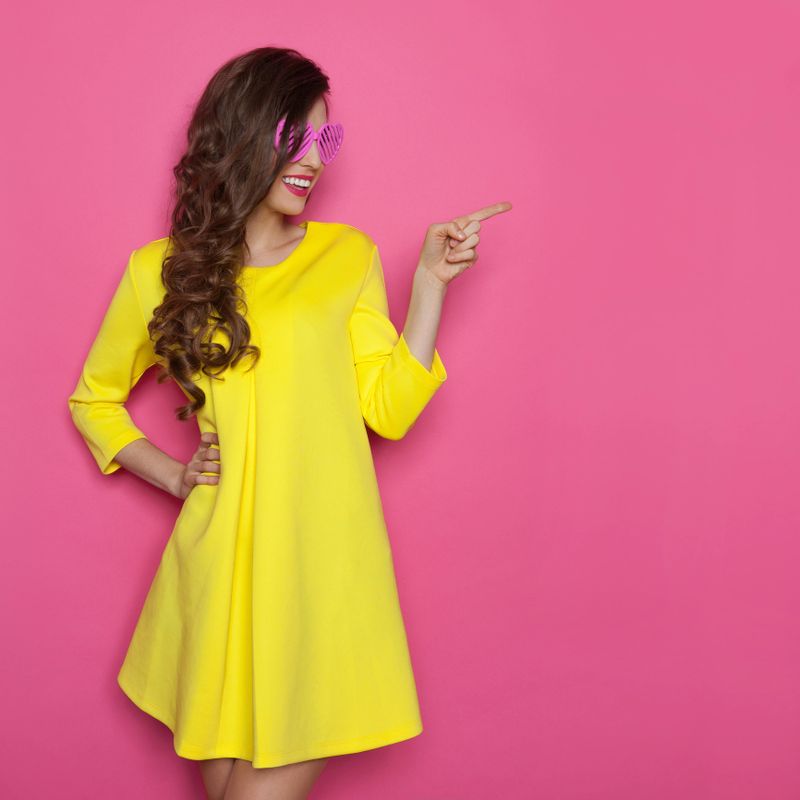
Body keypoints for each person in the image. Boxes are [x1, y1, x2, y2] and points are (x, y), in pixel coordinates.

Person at [67, 46, 511, 800]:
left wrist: (429, 288)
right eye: (296, 136)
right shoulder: (162, 271)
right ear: (242, 135)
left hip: (320, 574)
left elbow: (389, 411)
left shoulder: (347, 256)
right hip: (219, 573)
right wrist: (172, 474)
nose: (315, 159)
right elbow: (93, 399)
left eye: (326, 140)